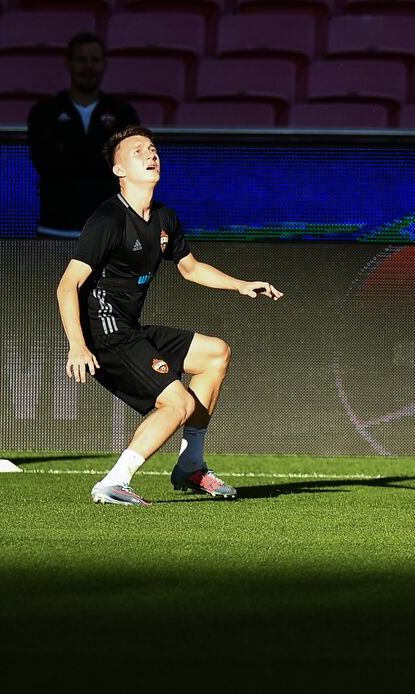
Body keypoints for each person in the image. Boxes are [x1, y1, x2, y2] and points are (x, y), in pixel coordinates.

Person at [57, 126, 283, 506]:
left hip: (131, 330)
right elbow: (68, 285)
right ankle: (114, 481)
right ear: (119, 171)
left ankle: (190, 466)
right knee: (177, 404)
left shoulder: (164, 218)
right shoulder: (108, 219)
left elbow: (191, 269)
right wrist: (77, 346)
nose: (151, 154)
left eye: (153, 148)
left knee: (216, 353)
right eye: (138, 151)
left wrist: (241, 284)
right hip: (106, 335)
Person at [28, 32, 141, 238]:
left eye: (95, 60)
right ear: (68, 64)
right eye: (81, 60)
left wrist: (69, 149)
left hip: (110, 230)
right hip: (56, 227)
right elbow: (46, 164)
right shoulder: (44, 112)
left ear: (104, 65)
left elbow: (130, 168)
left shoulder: (124, 113)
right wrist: (103, 154)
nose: (88, 66)